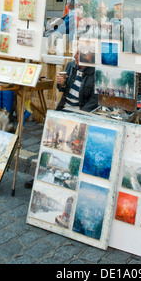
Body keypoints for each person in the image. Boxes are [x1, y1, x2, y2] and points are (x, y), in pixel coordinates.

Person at [24, 48, 98, 188]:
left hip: (81, 113)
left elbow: (94, 101)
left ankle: (68, 180)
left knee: (71, 147)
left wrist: (79, 117)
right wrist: (61, 84)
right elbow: (62, 90)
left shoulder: (95, 73)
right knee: (49, 143)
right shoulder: (71, 66)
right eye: (76, 53)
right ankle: (40, 178)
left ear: (90, 57)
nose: (75, 56)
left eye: (80, 54)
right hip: (64, 109)